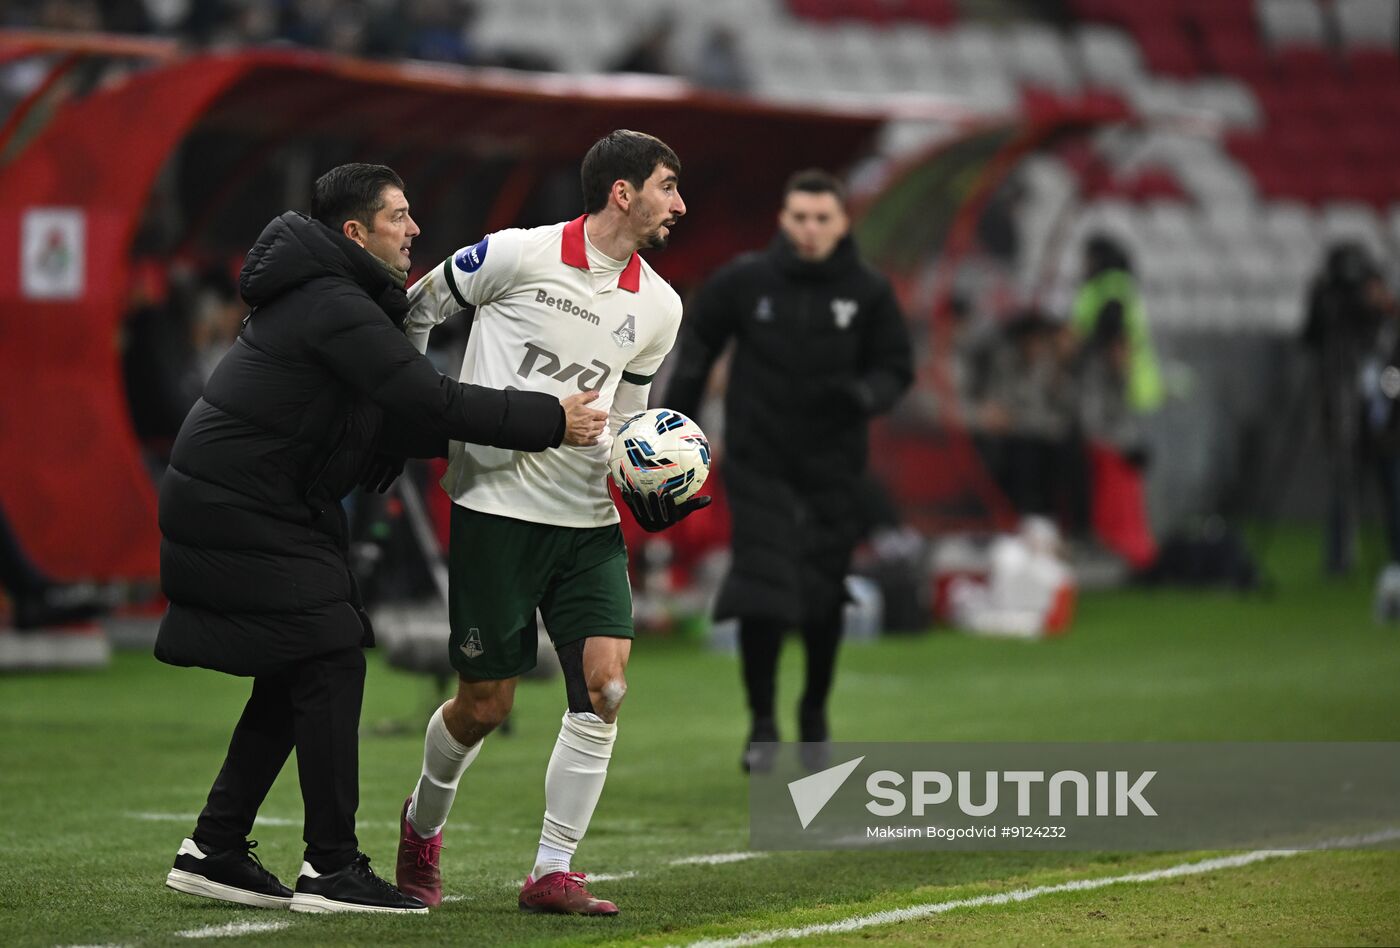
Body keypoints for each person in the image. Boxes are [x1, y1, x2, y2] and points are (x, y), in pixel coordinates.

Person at [154, 163, 605, 915]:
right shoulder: (334, 303)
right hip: (237, 503)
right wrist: (551, 419)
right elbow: (429, 399)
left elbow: (404, 415)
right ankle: (330, 866)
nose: (415, 229)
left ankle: (217, 846)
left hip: (253, 497)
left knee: (299, 661)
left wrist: (503, 437)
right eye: (399, 216)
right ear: (355, 233)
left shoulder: (333, 297)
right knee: (329, 654)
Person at [393, 130, 705, 916]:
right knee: (485, 706)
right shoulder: (515, 255)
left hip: (587, 519)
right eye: (668, 187)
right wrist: (411, 413)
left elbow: (625, 414)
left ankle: (552, 871)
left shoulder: (660, 307)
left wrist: (644, 470)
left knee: (604, 690)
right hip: (495, 509)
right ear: (623, 192)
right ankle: (421, 825)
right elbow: (415, 311)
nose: (680, 204)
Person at [664, 168, 913, 774]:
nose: (809, 229)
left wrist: (861, 396)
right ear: (783, 219)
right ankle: (763, 725)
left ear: (842, 222)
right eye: (799, 217)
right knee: (762, 589)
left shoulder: (869, 291)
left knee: (823, 594)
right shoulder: (746, 281)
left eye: (822, 218)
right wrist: (675, 427)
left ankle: (813, 717)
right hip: (759, 459)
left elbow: (896, 368)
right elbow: (697, 345)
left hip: (834, 463)